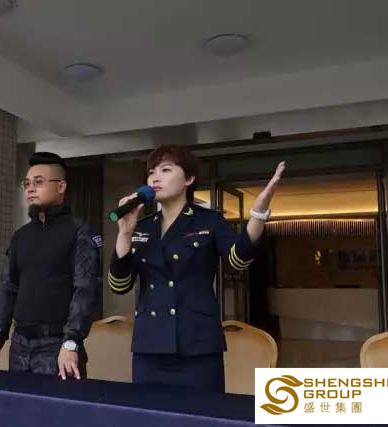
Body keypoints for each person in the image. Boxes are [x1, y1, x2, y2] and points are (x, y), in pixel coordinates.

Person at [108, 144, 285, 391]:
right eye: (151, 172)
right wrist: (124, 235)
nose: (155, 178)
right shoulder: (141, 227)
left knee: (203, 411)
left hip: (198, 345)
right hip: (150, 347)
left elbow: (237, 261)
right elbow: (119, 285)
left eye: (166, 170)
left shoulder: (209, 221)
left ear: (189, 179)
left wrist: (258, 215)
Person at [0, 152, 100, 380]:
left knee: (56, 404)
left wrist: (71, 342)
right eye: (27, 184)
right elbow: (7, 288)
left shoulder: (79, 230)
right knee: (17, 403)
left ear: (61, 187)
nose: (30, 189)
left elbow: (85, 289)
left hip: (57, 344)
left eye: (38, 182)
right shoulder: (20, 236)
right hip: (20, 343)